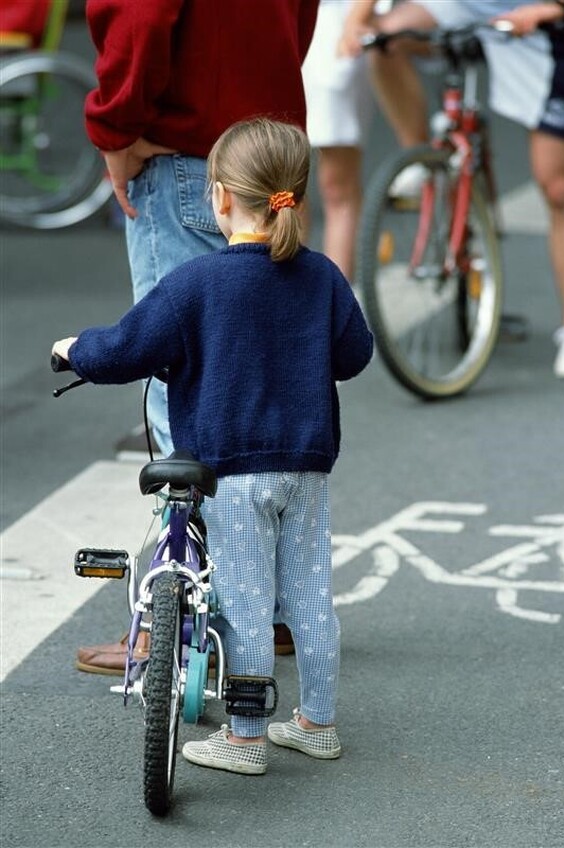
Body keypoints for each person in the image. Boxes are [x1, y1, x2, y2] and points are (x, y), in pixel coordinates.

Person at [53, 117, 374, 774]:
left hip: (230, 473)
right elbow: (355, 355)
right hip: (306, 466)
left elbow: (126, 348)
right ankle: (317, 722)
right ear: (293, 195)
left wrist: (73, 351)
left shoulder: (197, 283)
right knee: (310, 597)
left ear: (220, 198)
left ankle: (248, 735)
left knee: (248, 604)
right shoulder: (322, 278)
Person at [75, 0, 321, 674]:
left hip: (185, 152)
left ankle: (179, 617)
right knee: (261, 383)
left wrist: (115, 125)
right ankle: (267, 611)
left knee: (180, 390)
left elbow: (140, 15)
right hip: (265, 160)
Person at [339, 0, 564, 379]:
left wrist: (550, 8)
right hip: (462, 4)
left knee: (559, 188)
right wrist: (357, 19)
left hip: (534, 14)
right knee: (386, 39)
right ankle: (423, 159)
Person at [302, 0, 394, 281]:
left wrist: (356, 19)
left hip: (336, 23)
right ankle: (288, 301)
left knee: (336, 182)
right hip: (277, 23)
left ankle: (335, 306)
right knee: (281, 180)